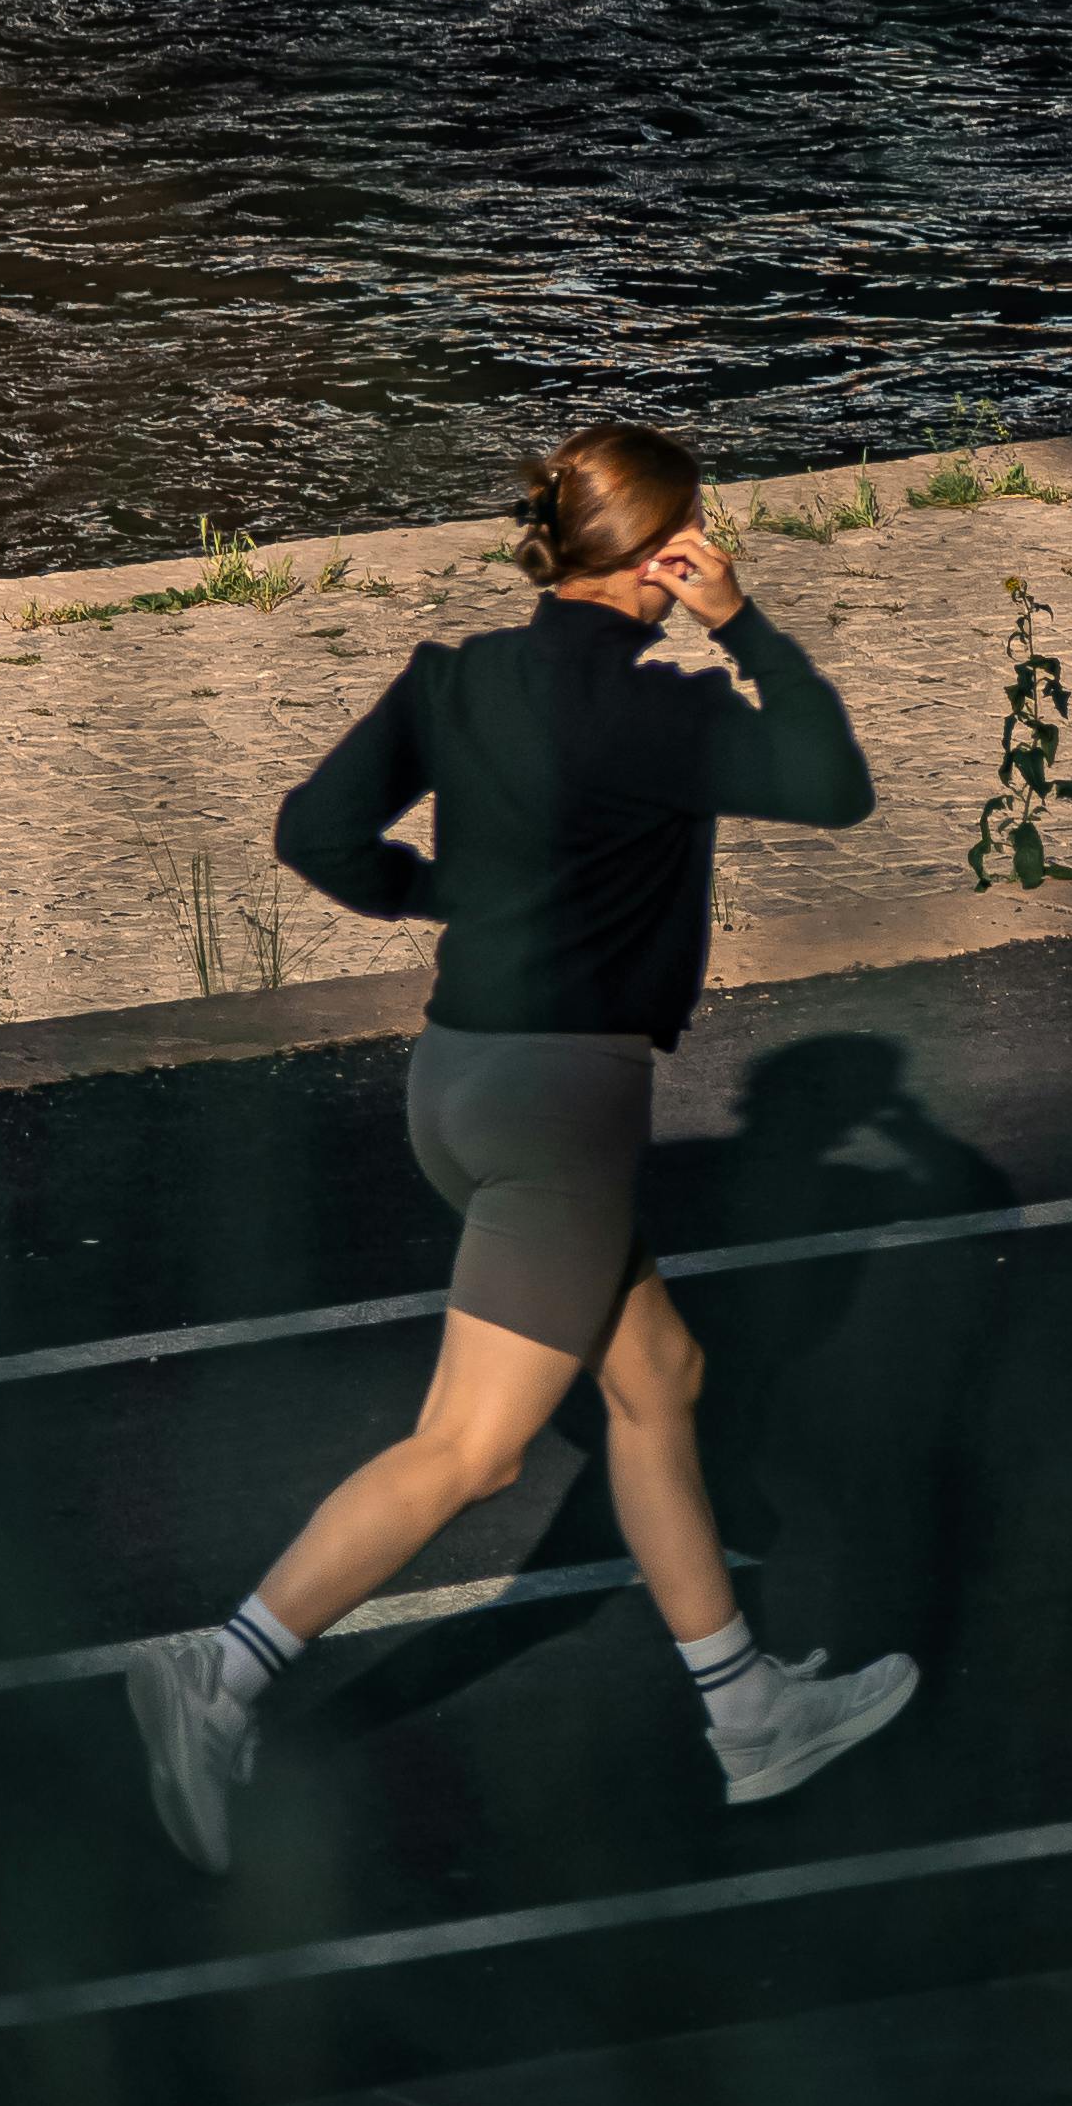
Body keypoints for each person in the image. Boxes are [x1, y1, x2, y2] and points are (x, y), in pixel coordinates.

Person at [124, 417, 920, 1873]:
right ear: (662, 550)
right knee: (472, 1452)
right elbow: (832, 782)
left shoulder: (455, 679)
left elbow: (314, 833)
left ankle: (751, 1714)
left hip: (454, 1082)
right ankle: (223, 1671)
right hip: (563, 1109)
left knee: (659, 1378)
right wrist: (740, 621)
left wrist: (429, 897)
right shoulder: (664, 711)